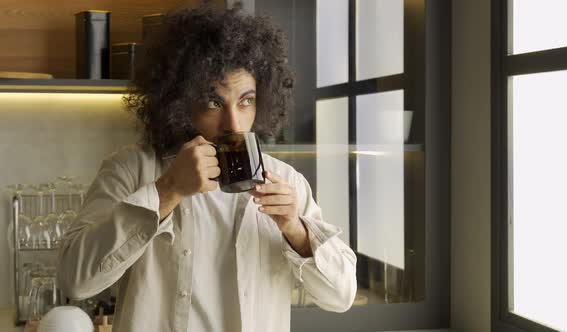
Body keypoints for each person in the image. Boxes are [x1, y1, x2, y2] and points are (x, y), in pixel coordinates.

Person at [57, 3, 357, 332]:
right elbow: (76, 281)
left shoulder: (287, 182)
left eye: (246, 100)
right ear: (179, 100)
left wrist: (295, 229)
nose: (233, 122)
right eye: (214, 102)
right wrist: (167, 190)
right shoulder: (130, 170)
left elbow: (341, 296)